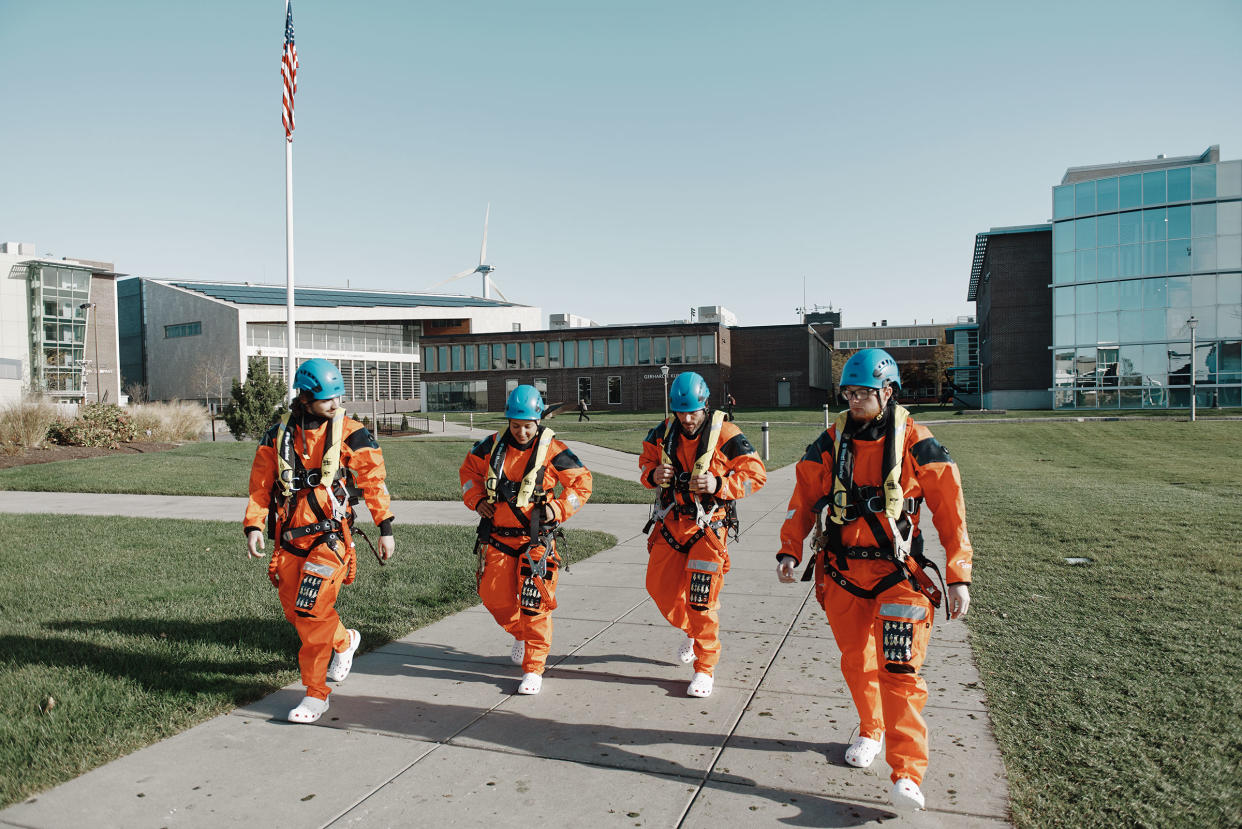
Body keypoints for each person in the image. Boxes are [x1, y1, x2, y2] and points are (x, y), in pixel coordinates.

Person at [775, 348, 973, 811]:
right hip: (843, 575)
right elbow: (803, 495)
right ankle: (871, 730)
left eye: (863, 392)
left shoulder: (918, 444)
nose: (854, 400)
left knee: (900, 673)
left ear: (888, 392)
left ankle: (907, 774)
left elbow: (951, 512)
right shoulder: (831, 441)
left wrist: (958, 573)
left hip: (899, 577)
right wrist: (790, 547)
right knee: (855, 662)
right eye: (849, 392)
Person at [244, 358, 395, 724]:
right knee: (299, 614)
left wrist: (385, 528)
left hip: (330, 537)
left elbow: (374, 481)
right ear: (306, 397)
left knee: (311, 613)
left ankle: (315, 695)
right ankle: (345, 641)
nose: (335, 404)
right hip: (289, 541)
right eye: (328, 399)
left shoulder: (352, 432)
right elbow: (262, 484)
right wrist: (253, 526)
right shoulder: (276, 435)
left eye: (338, 397)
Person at [459, 385, 593, 695]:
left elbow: (583, 484)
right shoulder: (489, 446)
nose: (521, 432)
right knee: (494, 598)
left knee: (534, 606)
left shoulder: (554, 450)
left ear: (538, 422)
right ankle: (522, 634)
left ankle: (534, 668)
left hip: (537, 542)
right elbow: (468, 472)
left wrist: (558, 508)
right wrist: (476, 498)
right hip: (498, 539)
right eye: (515, 425)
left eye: (527, 426)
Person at [640, 371, 766, 698]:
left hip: (709, 529)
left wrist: (720, 485)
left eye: (694, 412)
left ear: (705, 405)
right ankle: (694, 632)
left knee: (701, 601)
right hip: (670, 525)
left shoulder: (726, 433)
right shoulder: (662, 432)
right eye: (682, 412)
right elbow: (645, 465)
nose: (688, 419)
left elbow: (756, 476)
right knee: (658, 588)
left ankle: (705, 668)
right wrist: (653, 474)